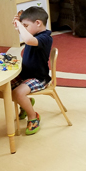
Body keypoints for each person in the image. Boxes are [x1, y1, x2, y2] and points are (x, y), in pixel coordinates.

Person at [9, 7, 52, 135]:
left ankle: (33, 116)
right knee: (5, 87)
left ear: (38, 23)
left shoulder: (46, 38)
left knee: (18, 93)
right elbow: (25, 36)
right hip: (25, 74)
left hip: (39, 78)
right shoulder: (33, 33)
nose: (24, 29)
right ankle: (26, 102)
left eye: (26, 26)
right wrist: (19, 26)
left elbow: (27, 40)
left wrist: (20, 26)